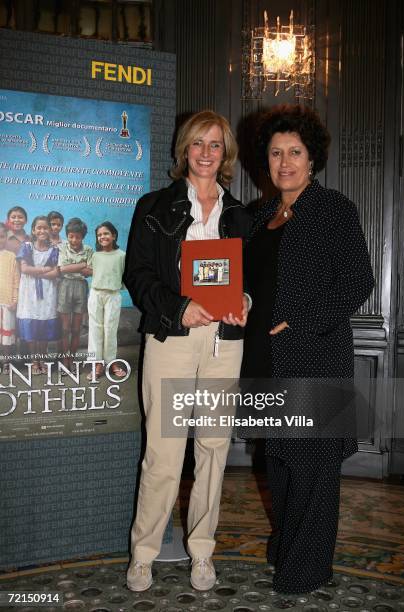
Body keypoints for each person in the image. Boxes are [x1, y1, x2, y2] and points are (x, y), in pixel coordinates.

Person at [242, 105, 374, 594]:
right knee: (278, 459)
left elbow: (358, 280)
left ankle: (306, 568)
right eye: (276, 153)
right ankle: (286, 549)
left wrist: (302, 321)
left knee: (314, 467)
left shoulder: (334, 208)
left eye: (294, 152)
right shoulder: (258, 216)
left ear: (312, 158)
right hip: (266, 360)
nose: (284, 162)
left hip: (315, 355)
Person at [124, 110, 252, 593]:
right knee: (163, 452)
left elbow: (249, 282)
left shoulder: (240, 214)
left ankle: (202, 553)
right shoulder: (154, 206)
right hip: (172, 339)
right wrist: (180, 308)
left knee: (215, 449)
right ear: (184, 149)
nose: (205, 153)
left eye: (215, 145)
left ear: (225, 154)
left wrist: (244, 301)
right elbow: (137, 276)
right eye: (198, 144)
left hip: (224, 344)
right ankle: (144, 555)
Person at [16, 216, 60, 375]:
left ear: (50, 230)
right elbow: (25, 269)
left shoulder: (54, 250)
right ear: (33, 230)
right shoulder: (26, 247)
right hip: (29, 292)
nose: (42, 231)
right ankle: (34, 361)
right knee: (31, 326)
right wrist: (43, 270)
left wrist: (40, 271)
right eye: (38, 228)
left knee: (44, 325)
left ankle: (42, 359)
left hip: (48, 291)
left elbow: (56, 272)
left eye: (45, 228)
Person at [87, 221, 126, 380]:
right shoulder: (95, 255)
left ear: (114, 235)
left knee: (110, 330)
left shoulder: (122, 255)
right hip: (96, 294)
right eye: (99, 235)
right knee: (95, 329)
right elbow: (89, 271)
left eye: (106, 233)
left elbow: (125, 275)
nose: (102, 237)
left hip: (113, 295)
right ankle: (97, 364)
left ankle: (111, 362)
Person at [57, 217, 93, 371]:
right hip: (65, 286)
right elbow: (62, 269)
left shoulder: (89, 250)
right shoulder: (62, 247)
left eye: (77, 237)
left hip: (81, 287)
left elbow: (91, 271)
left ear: (82, 237)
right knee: (65, 328)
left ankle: (72, 358)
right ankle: (64, 359)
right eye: (71, 236)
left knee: (76, 329)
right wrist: (82, 264)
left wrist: (74, 267)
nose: (73, 240)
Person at [0, 222, 19, 374]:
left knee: (7, 334)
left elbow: (16, 279)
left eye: (1, 237)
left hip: (7, 302)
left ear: (6, 238)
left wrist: (14, 299)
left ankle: (7, 361)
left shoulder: (11, 257)